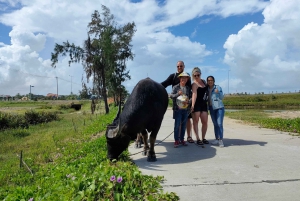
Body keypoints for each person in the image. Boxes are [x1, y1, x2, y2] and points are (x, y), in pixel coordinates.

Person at [161, 61, 194, 143]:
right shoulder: (173, 76)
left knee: (187, 120)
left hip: (186, 105)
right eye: (178, 66)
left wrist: (189, 102)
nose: (179, 67)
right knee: (178, 123)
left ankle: (188, 137)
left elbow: (190, 91)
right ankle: (177, 139)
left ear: (184, 66)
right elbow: (165, 83)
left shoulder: (187, 77)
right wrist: (156, 87)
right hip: (177, 106)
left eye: (181, 66)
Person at [169, 72, 192, 147]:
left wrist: (188, 101)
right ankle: (176, 140)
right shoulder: (175, 87)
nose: (184, 79)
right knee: (177, 125)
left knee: (183, 125)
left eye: (185, 78)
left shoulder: (188, 88)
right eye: (182, 78)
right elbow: (171, 96)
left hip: (185, 110)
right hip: (178, 110)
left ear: (187, 79)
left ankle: (182, 139)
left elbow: (191, 97)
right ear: (179, 79)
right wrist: (177, 94)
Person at [190, 67, 209, 146]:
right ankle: (198, 138)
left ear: (200, 74)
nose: (197, 77)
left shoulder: (204, 82)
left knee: (204, 121)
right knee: (196, 121)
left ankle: (203, 137)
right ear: (193, 76)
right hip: (197, 104)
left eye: (198, 75)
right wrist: (192, 105)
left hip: (204, 104)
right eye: (195, 75)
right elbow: (194, 94)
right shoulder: (194, 84)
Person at [207, 75, 225, 147]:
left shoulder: (218, 87)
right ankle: (216, 139)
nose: (210, 82)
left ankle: (221, 140)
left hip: (219, 108)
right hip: (211, 108)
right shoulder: (207, 89)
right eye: (208, 80)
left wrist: (218, 93)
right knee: (215, 124)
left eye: (211, 80)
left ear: (214, 81)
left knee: (219, 124)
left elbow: (222, 97)